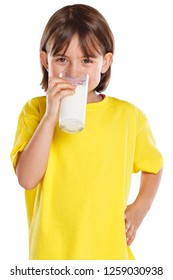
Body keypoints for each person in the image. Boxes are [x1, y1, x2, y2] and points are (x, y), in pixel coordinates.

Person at [10, 4, 163, 260]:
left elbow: (154, 166)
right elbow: (26, 179)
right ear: (44, 60)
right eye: (61, 59)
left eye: (87, 60)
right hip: (52, 256)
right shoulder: (35, 111)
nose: (73, 71)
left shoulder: (128, 116)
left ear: (105, 62)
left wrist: (140, 208)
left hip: (109, 255)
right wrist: (50, 117)